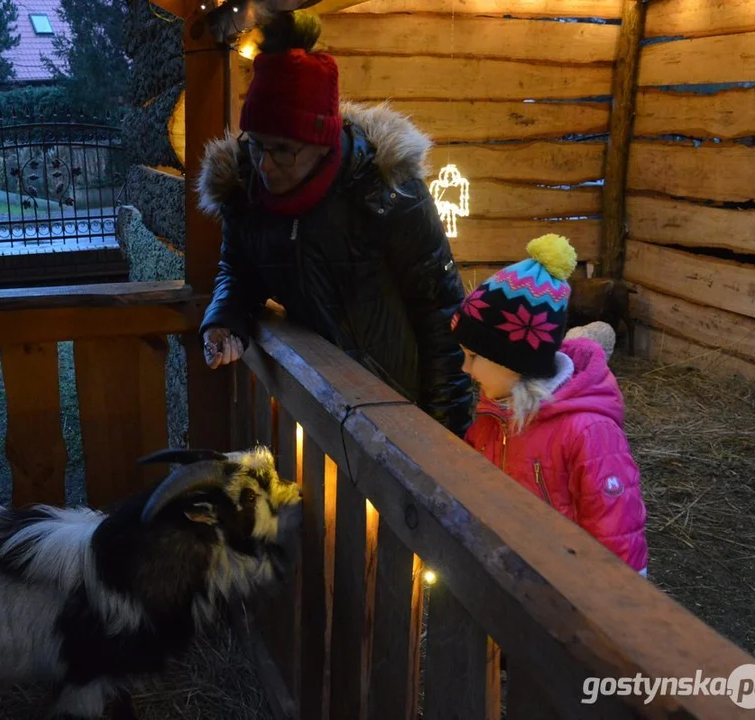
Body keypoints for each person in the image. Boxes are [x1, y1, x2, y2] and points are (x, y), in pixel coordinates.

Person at [196, 10, 473, 437]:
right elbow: (238, 270)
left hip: (405, 408)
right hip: (327, 407)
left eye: (284, 150)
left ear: (324, 143)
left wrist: (447, 433)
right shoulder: (245, 193)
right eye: (257, 145)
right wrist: (225, 319)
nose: (265, 164)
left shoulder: (385, 192)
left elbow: (441, 314)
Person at [451, 233, 649, 575]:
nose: (464, 368)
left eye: (473, 356)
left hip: (565, 591)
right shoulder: (495, 413)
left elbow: (618, 536)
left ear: (512, 360)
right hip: (505, 578)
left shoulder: (589, 433)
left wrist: (610, 611)